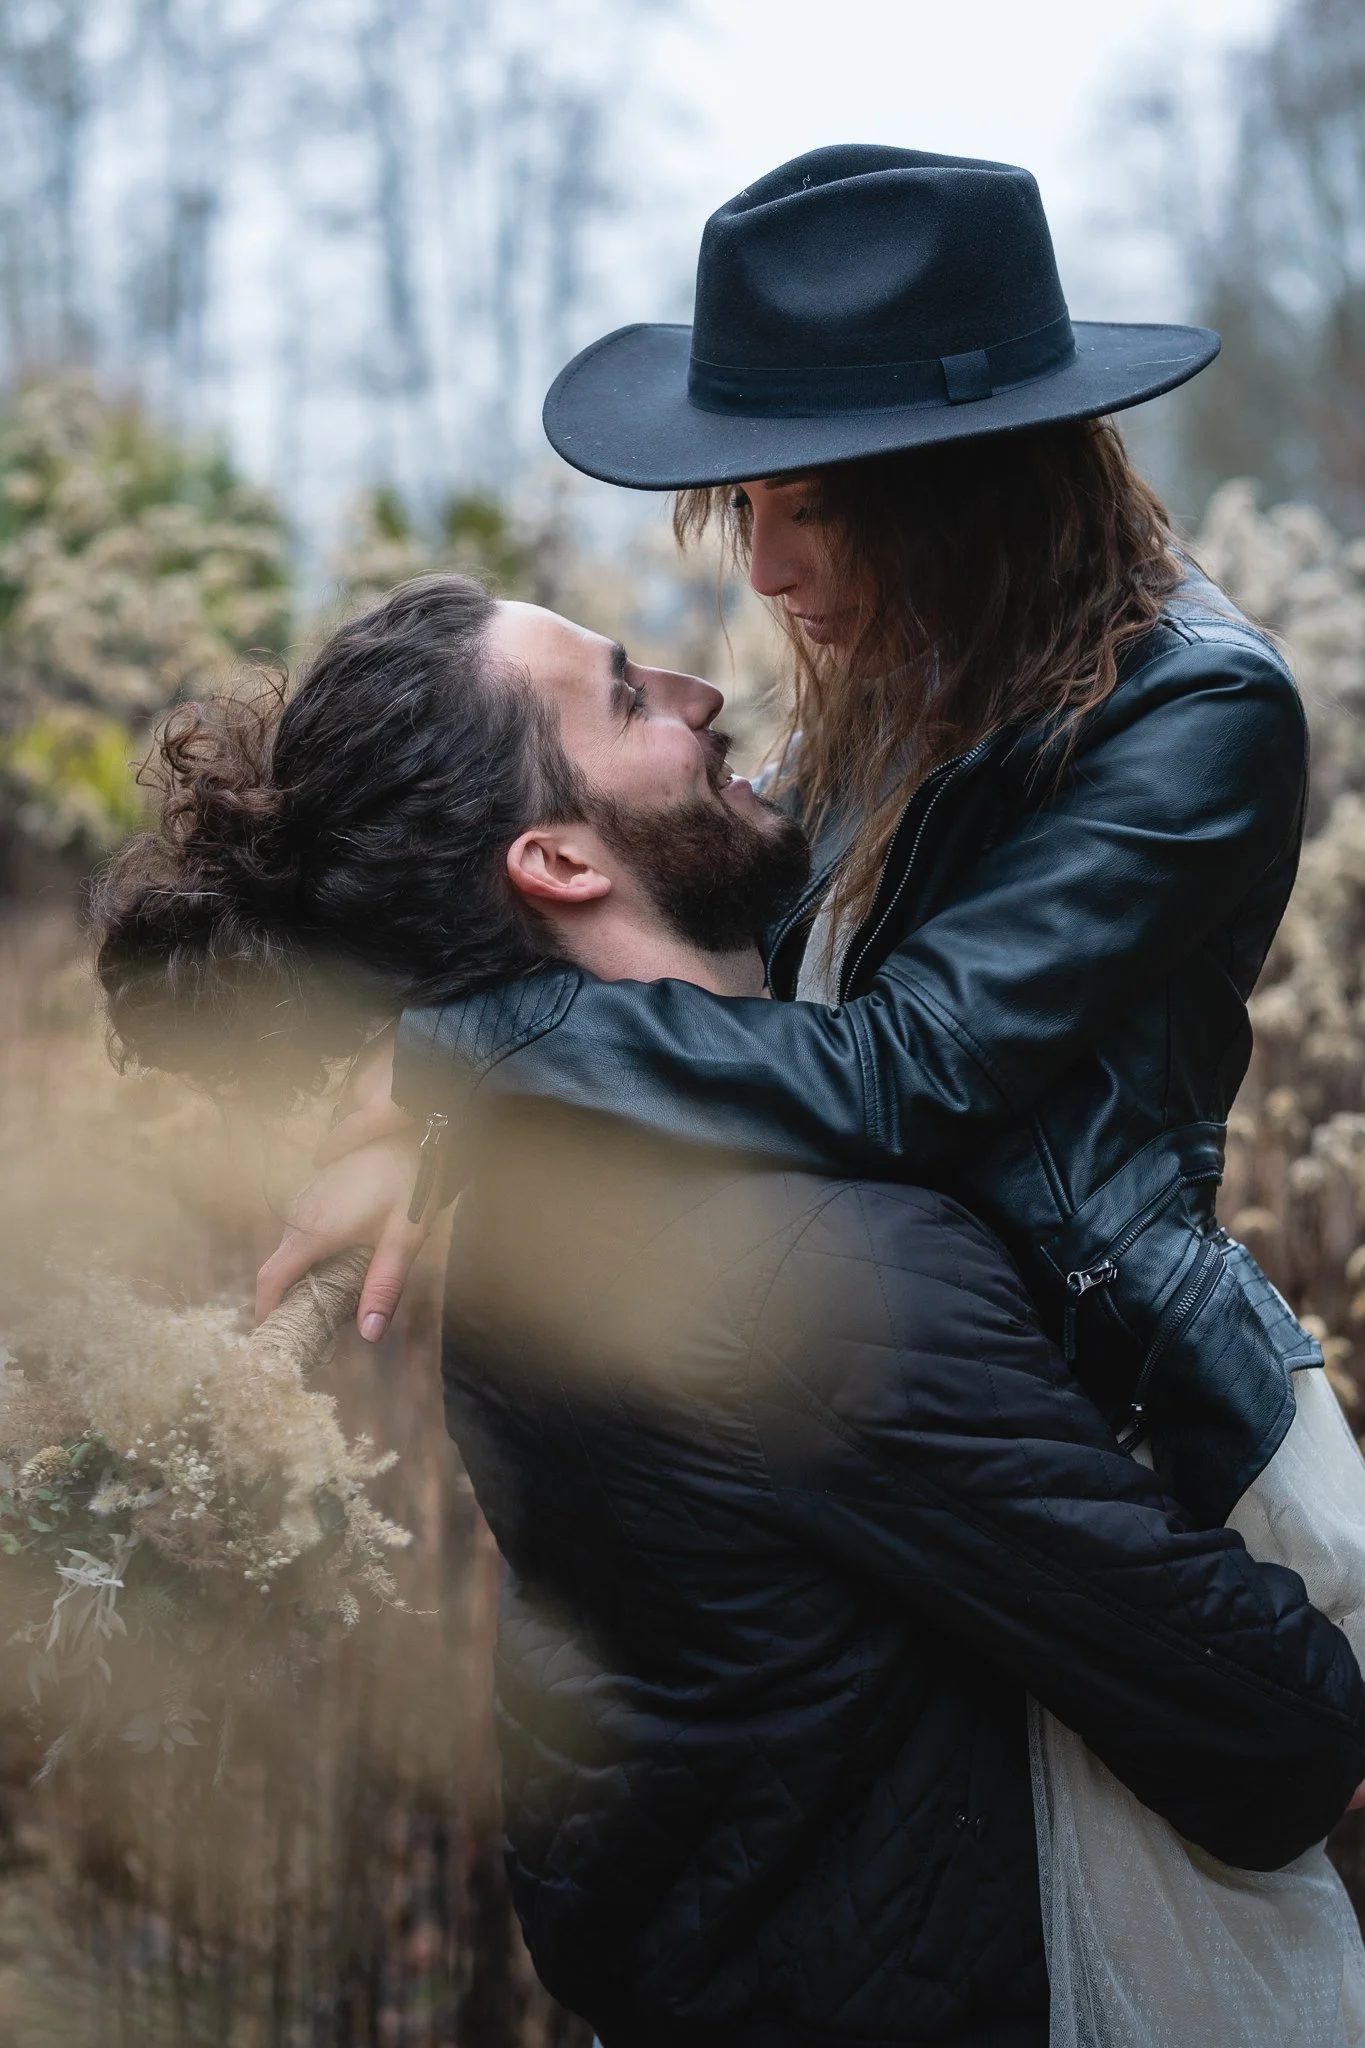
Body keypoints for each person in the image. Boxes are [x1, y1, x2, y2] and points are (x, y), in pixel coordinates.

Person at [253, 151, 1365, 2043]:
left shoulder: (1195, 712)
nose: (756, 571)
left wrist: (474, 1050)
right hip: (933, 1401)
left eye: (795, 507)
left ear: (958, 498)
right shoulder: (899, 653)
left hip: (1132, 1417)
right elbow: (673, 909)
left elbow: (908, 1063)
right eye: (740, 501)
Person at [94, 574, 1365, 2048]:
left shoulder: (544, 1194)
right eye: (630, 697)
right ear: (560, 860)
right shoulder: (797, 1271)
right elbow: (1282, 1735)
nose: (702, 697)